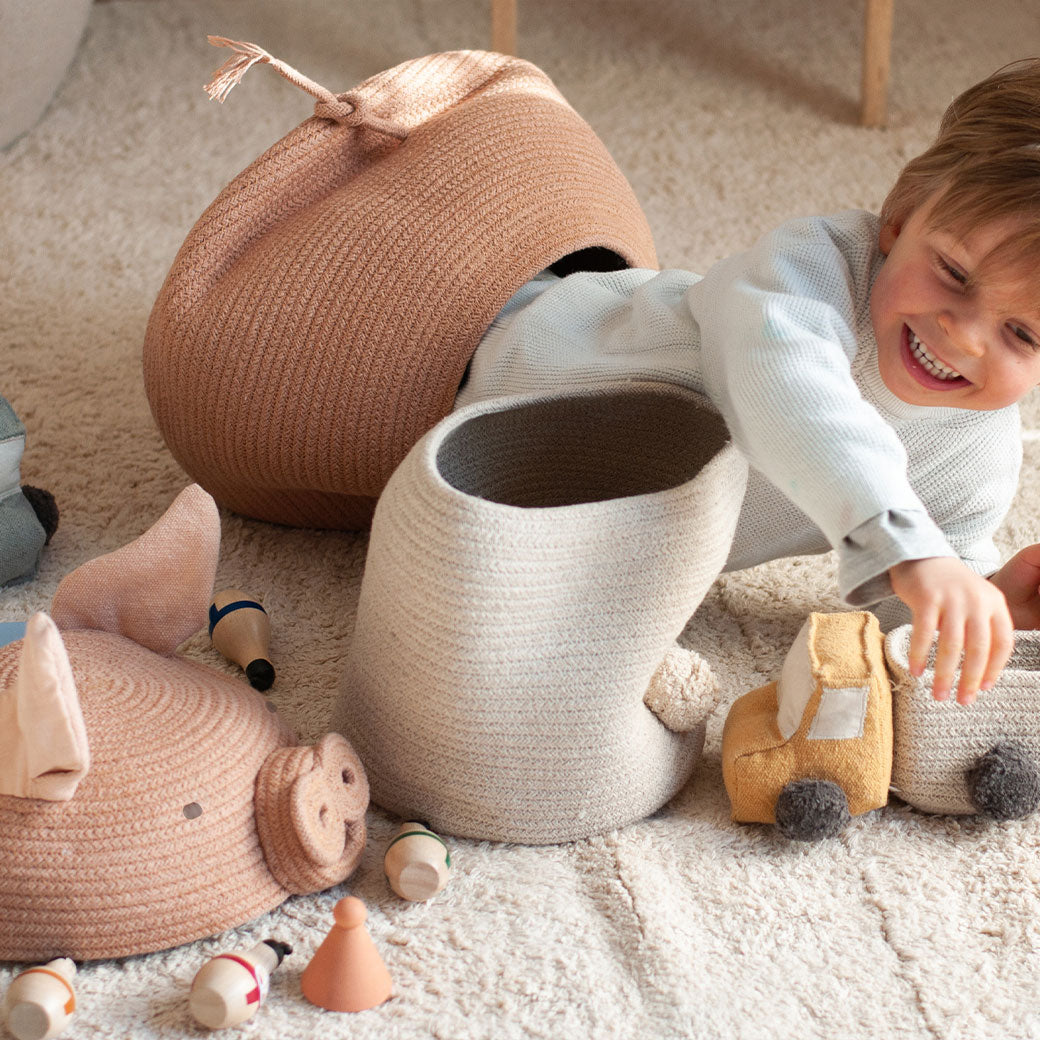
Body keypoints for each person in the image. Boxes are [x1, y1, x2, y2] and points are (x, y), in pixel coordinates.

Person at [454, 59, 1040, 709]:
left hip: (552, 527)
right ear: (901, 216)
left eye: (1024, 335)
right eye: (954, 272)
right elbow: (794, 395)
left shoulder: (978, 459)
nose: (964, 336)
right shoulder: (811, 272)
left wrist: (986, 603)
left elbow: (903, 592)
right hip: (486, 346)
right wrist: (914, 550)